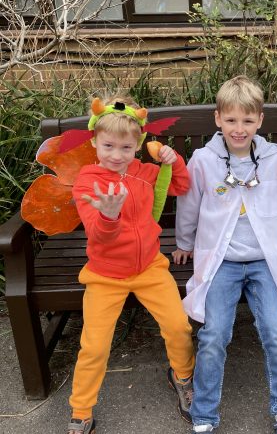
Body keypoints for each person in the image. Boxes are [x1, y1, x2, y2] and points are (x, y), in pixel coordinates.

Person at [173, 75, 277, 434]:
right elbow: (189, 205)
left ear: (260, 121)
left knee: (275, 332)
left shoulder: (273, 160)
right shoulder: (203, 161)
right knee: (214, 333)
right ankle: (204, 415)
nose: (239, 128)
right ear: (218, 118)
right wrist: (185, 244)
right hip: (222, 262)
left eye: (247, 121)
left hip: (264, 260)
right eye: (231, 120)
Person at [67, 96, 195, 434]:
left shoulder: (144, 173)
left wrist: (172, 159)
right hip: (105, 275)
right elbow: (98, 234)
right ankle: (81, 410)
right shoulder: (87, 181)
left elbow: (182, 185)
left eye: (126, 147)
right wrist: (108, 216)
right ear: (94, 141)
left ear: (137, 144)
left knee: (179, 327)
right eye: (108, 145)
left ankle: (182, 376)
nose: (116, 155)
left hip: (150, 267)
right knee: (94, 345)